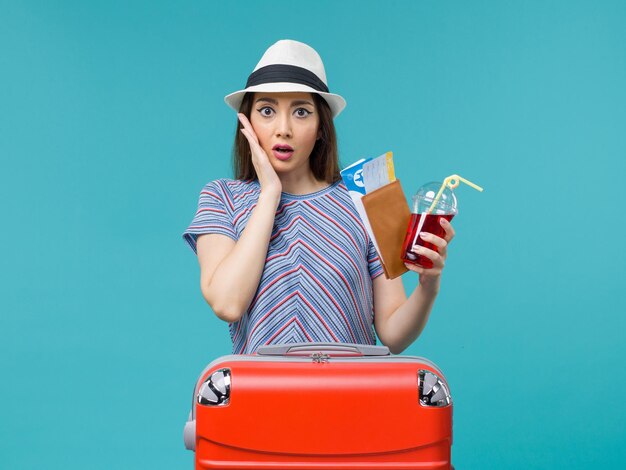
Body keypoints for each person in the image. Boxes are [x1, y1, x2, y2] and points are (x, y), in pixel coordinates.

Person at [183, 40, 455, 355]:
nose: (283, 129)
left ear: (321, 126)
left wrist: (428, 285)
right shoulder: (222, 198)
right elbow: (228, 303)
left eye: (301, 111)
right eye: (267, 111)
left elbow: (394, 334)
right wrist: (270, 193)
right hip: (260, 399)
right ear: (247, 122)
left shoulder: (368, 192)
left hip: (350, 397)